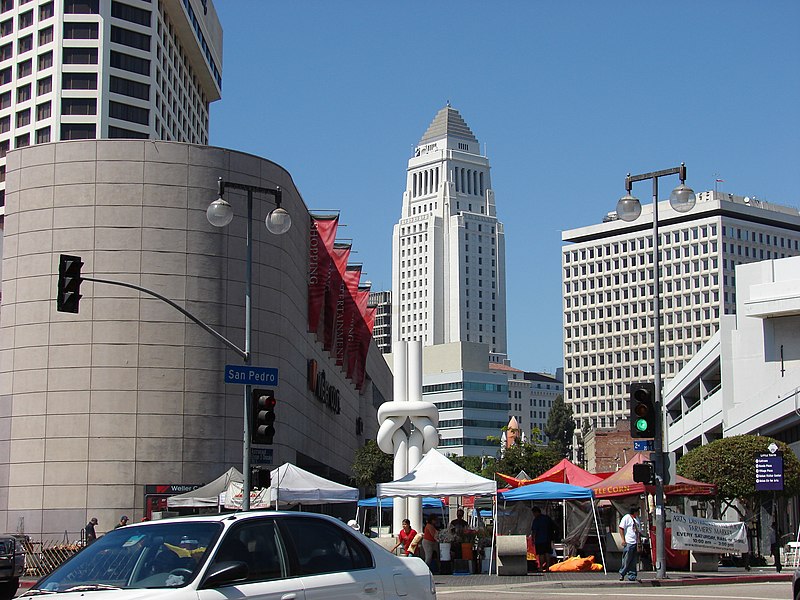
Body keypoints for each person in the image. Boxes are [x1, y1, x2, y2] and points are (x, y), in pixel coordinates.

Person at [618, 505, 642, 581]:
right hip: (629, 542)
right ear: (634, 511)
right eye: (638, 511)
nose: (639, 513)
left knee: (634, 560)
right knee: (626, 559)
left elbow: (638, 531)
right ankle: (622, 573)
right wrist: (623, 540)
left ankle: (632, 575)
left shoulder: (637, 519)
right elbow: (621, 528)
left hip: (636, 542)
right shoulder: (627, 517)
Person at [530, 506, 557, 571]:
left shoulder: (536, 520)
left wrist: (533, 539)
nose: (533, 515)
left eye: (534, 513)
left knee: (541, 554)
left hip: (540, 539)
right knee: (547, 553)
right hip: (548, 539)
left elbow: (534, 531)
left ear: (536, 512)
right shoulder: (547, 518)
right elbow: (554, 526)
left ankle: (541, 567)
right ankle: (547, 567)